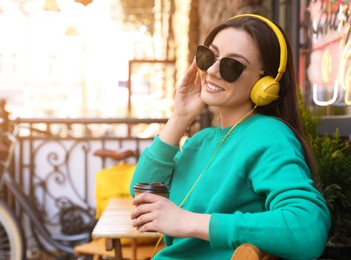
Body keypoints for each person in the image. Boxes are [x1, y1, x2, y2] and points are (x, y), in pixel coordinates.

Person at [130, 14, 330, 259]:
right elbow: (143, 198)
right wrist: (180, 117)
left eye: (232, 65)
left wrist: (190, 222)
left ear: (264, 84)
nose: (212, 70)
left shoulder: (268, 135)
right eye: (208, 56)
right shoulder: (199, 142)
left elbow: (307, 227)